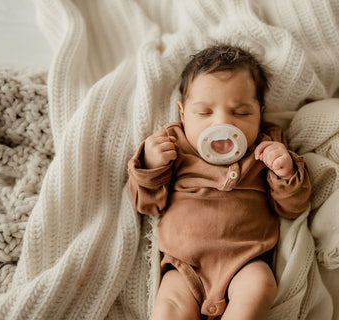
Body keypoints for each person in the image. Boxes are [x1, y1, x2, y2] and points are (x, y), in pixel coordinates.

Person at [127, 45, 312, 319]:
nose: (223, 123)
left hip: (246, 261)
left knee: (260, 286)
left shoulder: (266, 146)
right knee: (169, 310)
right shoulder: (172, 144)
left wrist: (284, 171)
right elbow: (148, 204)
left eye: (241, 113)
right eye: (203, 113)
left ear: (260, 113)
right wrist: (152, 166)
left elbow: (292, 207)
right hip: (184, 266)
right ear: (182, 113)